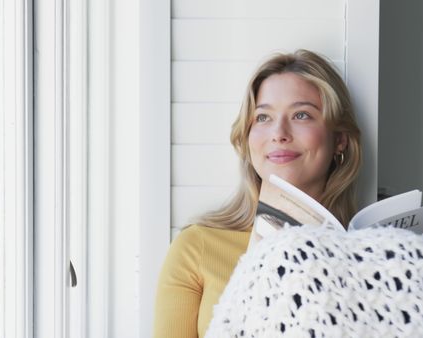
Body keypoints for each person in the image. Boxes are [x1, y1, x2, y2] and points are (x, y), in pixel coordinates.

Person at [153, 49, 362, 338]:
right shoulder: (197, 246)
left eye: (301, 115)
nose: (279, 133)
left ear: (339, 139)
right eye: (263, 117)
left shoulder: (368, 249)